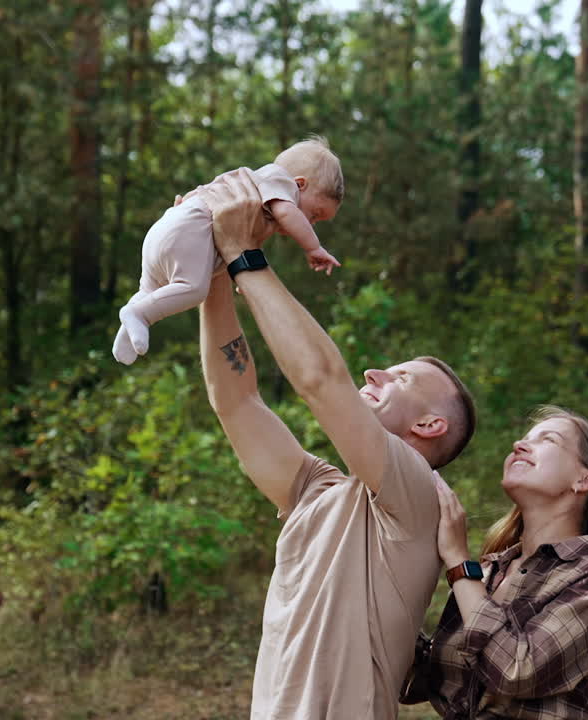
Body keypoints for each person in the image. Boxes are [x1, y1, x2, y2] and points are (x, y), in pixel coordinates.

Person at [196, 168, 477, 720]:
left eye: (399, 377)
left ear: (429, 427)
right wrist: (212, 278)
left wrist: (243, 253)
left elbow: (322, 382)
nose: (372, 373)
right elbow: (236, 402)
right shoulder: (315, 491)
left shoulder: (419, 498)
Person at [409, 405, 588, 719]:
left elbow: (516, 669)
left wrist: (458, 560)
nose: (518, 445)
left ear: (584, 479)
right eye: (524, 439)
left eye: (547, 440)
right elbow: (428, 680)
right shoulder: (490, 571)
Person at [112, 137, 343, 365]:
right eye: (315, 214)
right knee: (193, 289)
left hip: (169, 227)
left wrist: (246, 278)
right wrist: (314, 247)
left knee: (150, 288)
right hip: (189, 226)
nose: (311, 224)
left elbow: (242, 244)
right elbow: (286, 213)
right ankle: (140, 314)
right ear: (300, 184)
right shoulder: (280, 181)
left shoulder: (254, 198)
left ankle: (130, 325)